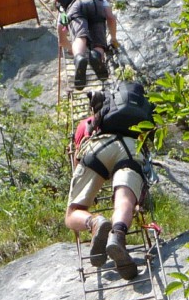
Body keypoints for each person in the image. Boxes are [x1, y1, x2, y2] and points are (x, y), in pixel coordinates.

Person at [64, 84, 153, 280]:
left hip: (99, 146)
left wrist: (88, 186)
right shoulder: (141, 117)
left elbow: (78, 161)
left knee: (72, 213)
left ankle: (94, 222)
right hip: (131, 148)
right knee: (124, 203)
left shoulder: (87, 123)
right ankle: (118, 236)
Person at [54, 0, 118, 89]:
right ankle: (96, 55)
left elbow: (61, 36)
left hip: (74, 7)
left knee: (79, 36)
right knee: (99, 40)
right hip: (95, 4)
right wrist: (113, 38)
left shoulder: (64, 3)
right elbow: (111, 18)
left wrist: (73, 50)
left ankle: (79, 59)